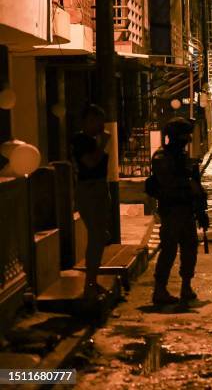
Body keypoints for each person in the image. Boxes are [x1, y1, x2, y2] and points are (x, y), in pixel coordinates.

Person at [150, 117, 208, 305]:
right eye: (185, 135)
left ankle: (186, 286)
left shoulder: (182, 158)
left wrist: (200, 207)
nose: (188, 139)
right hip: (172, 209)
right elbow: (168, 183)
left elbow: (194, 185)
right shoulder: (162, 157)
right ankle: (159, 290)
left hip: (186, 209)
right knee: (169, 250)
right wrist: (188, 184)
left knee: (189, 249)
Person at [71, 104, 111, 301]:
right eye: (97, 120)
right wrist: (103, 144)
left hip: (99, 188)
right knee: (95, 237)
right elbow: (90, 163)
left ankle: (93, 281)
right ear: (87, 121)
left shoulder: (93, 140)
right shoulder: (80, 140)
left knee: (99, 237)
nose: (101, 125)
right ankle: (89, 284)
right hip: (89, 189)